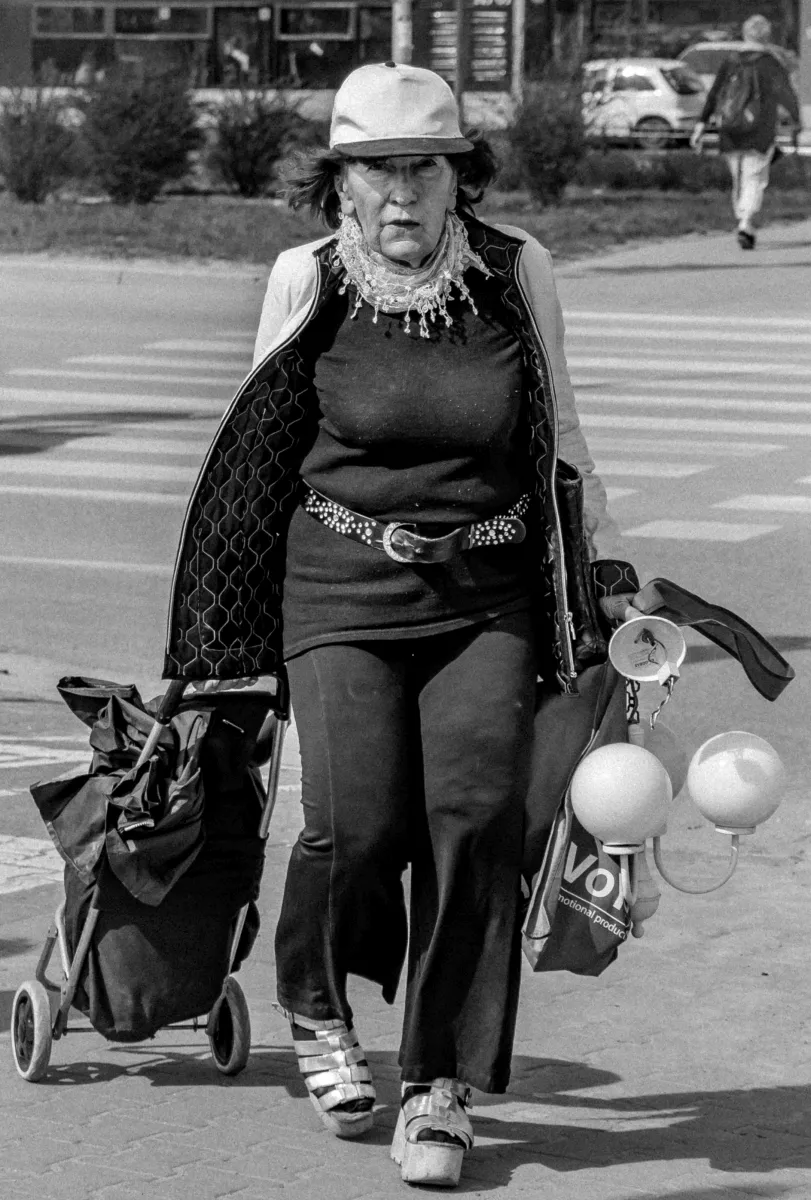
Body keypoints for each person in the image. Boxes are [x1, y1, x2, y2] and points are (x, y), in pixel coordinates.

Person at [163, 62, 639, 1188]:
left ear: (458, 175)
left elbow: (560, 428)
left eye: (422, 167)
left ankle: (439, 1086)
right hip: (336, 587)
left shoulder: (516, 271)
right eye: (374, 170)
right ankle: (317, 1003)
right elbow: (255, 452)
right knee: (355, 825)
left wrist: (607, 567)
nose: (400, 193)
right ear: (340, 181)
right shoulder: (308, 278)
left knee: (475, 821)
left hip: (487, 594)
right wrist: (221, 634)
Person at [690, 14, 801, 249]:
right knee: (754, 177)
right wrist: (796, 120)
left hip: (730, 128)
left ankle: (743, 218)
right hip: (760, 129)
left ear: (744, 34)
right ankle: (746, 221)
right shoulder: (770, 63)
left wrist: (701, 124)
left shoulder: (731, 61)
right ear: (767, 37)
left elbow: (715, 93)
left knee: (738, 177)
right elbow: (786, 94)